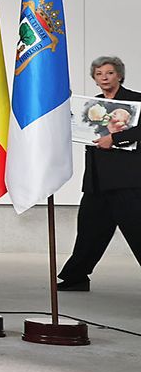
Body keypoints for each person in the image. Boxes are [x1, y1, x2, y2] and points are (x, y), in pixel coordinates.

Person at [57, 56, 141, 291]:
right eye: (99, 74)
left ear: (119, 75)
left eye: (110, 73)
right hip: (97, 181)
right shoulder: (90, 105)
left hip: (127, 180)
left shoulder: (136, 100)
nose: (105, 77)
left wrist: (114, 138)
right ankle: (76, 277)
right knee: (89, 232)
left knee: (138, 231)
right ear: (94, 79)